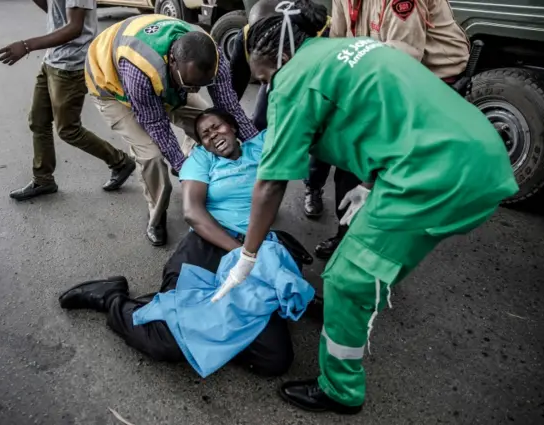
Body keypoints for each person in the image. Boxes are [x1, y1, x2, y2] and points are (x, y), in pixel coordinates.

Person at [211, 2, 518, 414]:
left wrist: (247, 257)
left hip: (435, 176)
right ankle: (375, 279)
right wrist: (370, 185)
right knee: (367, 261)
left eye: (262, 76)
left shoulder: (294, 80)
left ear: (277, 57)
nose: (264, 85)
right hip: (479, 152)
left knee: (347, 280)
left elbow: (269, 184)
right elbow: (390, 113)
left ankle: (341, 390)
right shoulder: (349, 48)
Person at [58, 108, 311, 377]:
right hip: (210, 243)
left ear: (234, 127)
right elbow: (192, 212)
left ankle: (208, 327)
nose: (213, 136)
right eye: (205, 135)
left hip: (257, 244)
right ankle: (110, 298)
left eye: (218, 127)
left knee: (274, 361)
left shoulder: (260, 145)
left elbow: (298, 117)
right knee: (164, 342)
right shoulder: (202, 160)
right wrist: (243, 254)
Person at [308, 0, 471, 258]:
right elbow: (338, 42)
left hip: (430, 75)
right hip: (379, 67)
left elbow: (402, 60)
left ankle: (366, 242)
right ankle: (349, 231)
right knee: (340, 133)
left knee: (361, 145)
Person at [85, 15, 258, 247]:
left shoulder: (213, 59)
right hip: (113, 88)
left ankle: (211, 182)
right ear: (173, 61)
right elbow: (156, 124)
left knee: (210, 124)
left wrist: (258, 147)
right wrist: (182, 166)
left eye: (202, 85)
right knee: (152, 156)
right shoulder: (140, 69)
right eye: (190, 85)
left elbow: (230, 109)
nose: (195, 90)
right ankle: (156, 215)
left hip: (163, 81)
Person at [0, 0, 135, 202]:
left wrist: (26, 45)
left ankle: (120, 162)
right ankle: (43, 179)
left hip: (71, 65)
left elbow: (74, 28)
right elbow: (55, 11)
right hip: (52, 59)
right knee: (38, 120)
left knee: (68, 130)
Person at [229, 0, 330, 131]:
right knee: (262, 121)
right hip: (278, 72)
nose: (260, 39)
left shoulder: (320, 33)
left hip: (315, 79)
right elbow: (234, 86)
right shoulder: (246, 38)